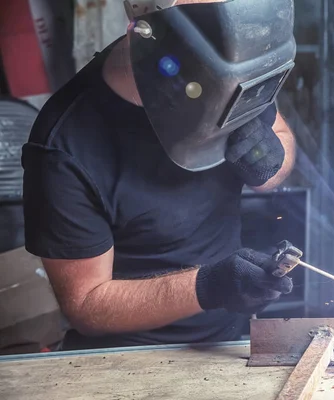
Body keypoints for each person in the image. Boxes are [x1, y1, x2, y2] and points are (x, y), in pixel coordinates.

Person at [21, 0, 297, 350]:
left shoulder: (229, 69)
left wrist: (269, 162)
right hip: (128, 360)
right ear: (147, 34)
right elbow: (86, 306)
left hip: (229, 344)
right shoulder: (65, 145)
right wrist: (208, 286)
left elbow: (281, 143)